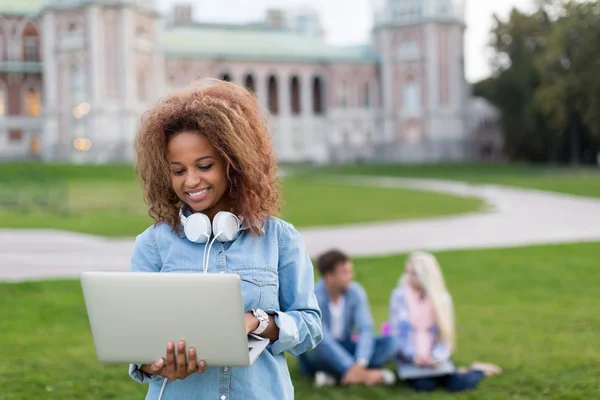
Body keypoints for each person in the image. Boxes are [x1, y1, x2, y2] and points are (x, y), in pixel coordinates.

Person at [127, 78, 323, 400]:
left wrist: (255, 322)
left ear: (234, 163)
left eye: (204, 166)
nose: (191, 181)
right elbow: (138, 341)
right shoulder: (153, 245)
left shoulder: (280, 239)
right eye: (178, 171)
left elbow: (310, 326)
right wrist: (155, 365)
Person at [389, 251, 501, 392]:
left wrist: (436, 357)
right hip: (410, 359)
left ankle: (478, 370)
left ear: (425, 275)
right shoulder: (399, 296)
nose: (409, 278)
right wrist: (413, 355)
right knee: (424, 385)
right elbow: (396, 333)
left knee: (457, 385)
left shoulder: (442, 299)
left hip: (435, 357)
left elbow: (446, 336)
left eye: (413, 274)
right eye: (408, 273)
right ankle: (454, 371)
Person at [297, 249, 397, 387]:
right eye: (345, 272)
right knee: (315, 344)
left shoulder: (355, 292)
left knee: (391, 342)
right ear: (329, 276)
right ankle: (362, 375)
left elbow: (366, 328)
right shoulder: (313, 296)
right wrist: (350, 365)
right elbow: (322, 337)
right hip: (322, 350)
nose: (350, 276)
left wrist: (361, 361)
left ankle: (334, 377)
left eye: (350, 271)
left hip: (346, 347)